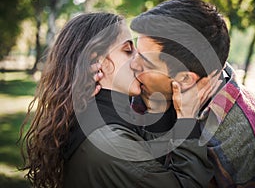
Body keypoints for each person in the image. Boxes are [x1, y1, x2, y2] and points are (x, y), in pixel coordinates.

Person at [19, 12, 220, 188]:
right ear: (99, 61)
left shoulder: (97, 113)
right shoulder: (111, 145)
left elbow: (151, 162)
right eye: (128, 50)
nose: (139, 60)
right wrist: (187, 120)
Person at [127, 0, 255, 187]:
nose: (132, 64)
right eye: (136, 51)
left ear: (186, 79)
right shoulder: (146, 88)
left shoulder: (243, 139)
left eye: (145, 61)